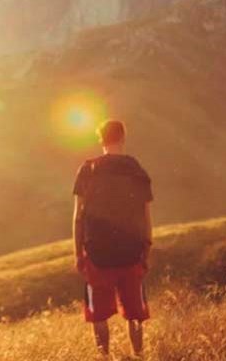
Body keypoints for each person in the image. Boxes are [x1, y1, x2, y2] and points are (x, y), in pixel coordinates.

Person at [72, 120, 153, 357]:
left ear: (101, 139)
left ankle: (104, 356)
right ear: (123, 138)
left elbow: (78, 217)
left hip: (97, 254)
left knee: (99, 316)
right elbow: (146, 215)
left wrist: (78, 253)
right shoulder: (136, 169)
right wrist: (146, 250)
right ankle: (138, 356)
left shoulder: (88, 169)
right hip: (132, 253)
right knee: (135, 314)